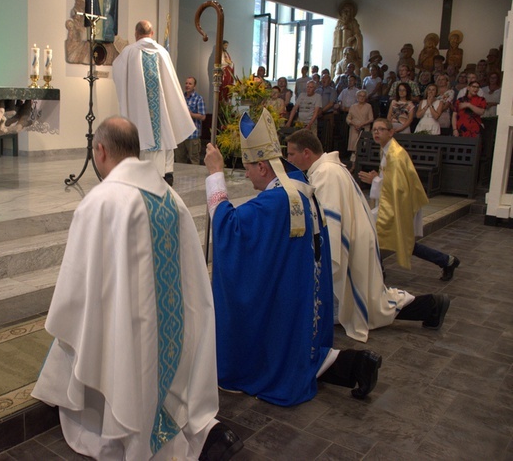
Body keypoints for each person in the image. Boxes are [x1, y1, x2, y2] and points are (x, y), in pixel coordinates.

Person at [32, 116, 243, 460]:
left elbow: (76, 289)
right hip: (169, 335)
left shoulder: (100, 202)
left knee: (104, 355)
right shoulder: (171, 198)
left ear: (100, 151)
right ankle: (193, 430)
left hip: (126, 330)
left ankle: (130, 431)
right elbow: (191, 279)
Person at [205, 109, 382, 405]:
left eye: (247, 167)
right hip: (298, 292)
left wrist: (215, 175)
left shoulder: (275, 202)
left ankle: (355, 364)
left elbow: (229, 229)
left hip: (287, 295)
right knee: (297, 350)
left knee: (283, 356)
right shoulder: (300, 189)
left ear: (262, 167)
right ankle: (355, 364)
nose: (246, 175)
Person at [286, 129, 451, 342]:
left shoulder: (326, 172)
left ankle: (432, 306)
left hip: (352, 242)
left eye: (291, 154)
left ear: (306, 153)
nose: (288, 159)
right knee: (366, 300)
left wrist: (324, 256)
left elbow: (330, 222)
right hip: (356, 237)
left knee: (367, 304)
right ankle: (431, 306)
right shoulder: (328, 168)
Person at [358, 119, 461, 280]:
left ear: (391, 132)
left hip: (402, 203)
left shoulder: (396, 154)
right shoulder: (387, 149)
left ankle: (379, 272)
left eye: (381, 129)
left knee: (375, 233)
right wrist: (378, 178)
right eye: (374, 130)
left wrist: (375, 181)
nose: (377, 132)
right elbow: (393, 181)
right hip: (393, 202)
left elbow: (399, 188)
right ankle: (447, 261)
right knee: (399, 241)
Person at [112, 20, 195, 186]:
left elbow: (117, 70)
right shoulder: (162, 52)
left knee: (140, 135)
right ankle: (166, 173)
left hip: (138, 115)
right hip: (161, 115)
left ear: (136, 34)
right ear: (152, 34)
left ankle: (139, 176)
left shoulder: (128, 52)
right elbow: (171, 83)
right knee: (164, 132)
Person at [175, 76, 206, 165]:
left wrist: (190, 114)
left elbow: (203, 116)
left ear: (194, 86)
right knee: (179, 160)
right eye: (186, 83)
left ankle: (195, 179)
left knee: (194, 161)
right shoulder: (181, 98)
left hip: (193, 136)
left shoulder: (198, 99)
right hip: (181, 135)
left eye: (190, 84)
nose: (187, 85)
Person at [331, 0, 363, 74]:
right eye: (344, 11)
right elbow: (335, 34)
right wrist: (340, 30)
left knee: (350, 62)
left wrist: (353, 38)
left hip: (350, 46)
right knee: (339, 64)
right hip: (340, 47)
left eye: (348, 11)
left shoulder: (353, 22)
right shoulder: (339, 22)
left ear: (351, 13)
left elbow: (358, 35)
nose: (346, 13)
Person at [345, 89, 373, 168]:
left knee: (362, 147)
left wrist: (362, 124)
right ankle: (353, 166)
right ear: (357, 97)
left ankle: (361, 166)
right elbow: (348, 118)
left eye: (364, 96)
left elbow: (371, 118)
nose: (362, 97)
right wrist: (354, 124)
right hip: (354, 129)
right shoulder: (353, 106)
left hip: (364, 129)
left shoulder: (368, 106)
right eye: (360, 96)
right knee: (354, 148)